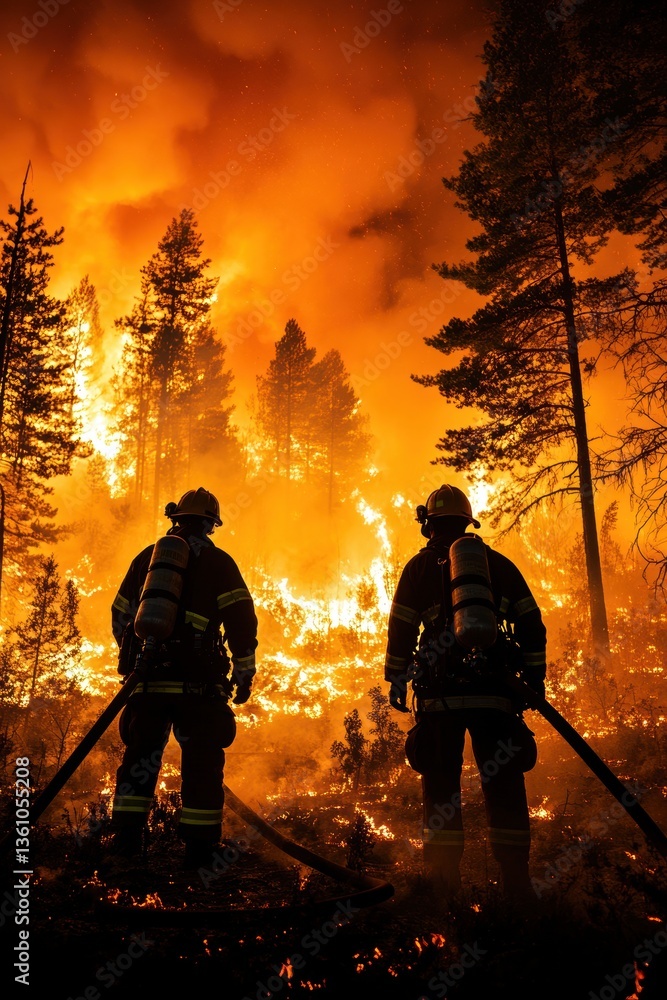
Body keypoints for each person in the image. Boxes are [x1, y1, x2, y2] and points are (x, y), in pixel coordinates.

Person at [384, 484, 547, 901]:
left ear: (429, 526)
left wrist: (397, 677)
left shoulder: (419, 570)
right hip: (496, 695)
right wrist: (533, 678)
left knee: (441, 785)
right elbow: (531, 622)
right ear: (467, 521)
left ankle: (443, 883)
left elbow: (401, 626)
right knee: (505, 785)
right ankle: (517, 884)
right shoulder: (495, 564)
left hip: (441, 698)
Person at [108, 487, 258, 870]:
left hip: (149, 684)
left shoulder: (147, 558)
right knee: (202, 764)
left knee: (140, 758)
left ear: (175, 519)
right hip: (198, 688)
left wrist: (138, 658)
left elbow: (122, 611)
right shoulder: (219, 563)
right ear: (210, 524)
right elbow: (242, 621)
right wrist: (244, 671)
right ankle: (199, 852)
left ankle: (124, 843)